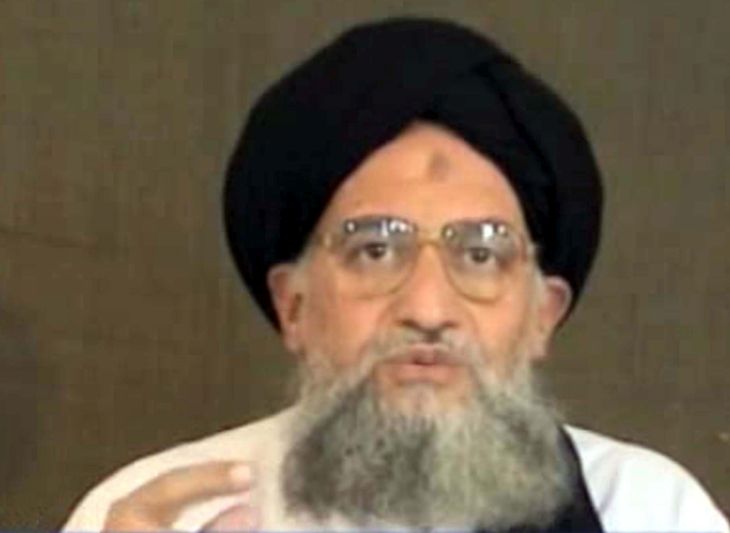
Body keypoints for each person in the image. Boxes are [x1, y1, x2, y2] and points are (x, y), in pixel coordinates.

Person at [62, 18, 728, 532]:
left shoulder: (650, 510)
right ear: (293, 305)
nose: (429, 307)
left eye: (481, 254)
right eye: (375, 249)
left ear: (542, 315)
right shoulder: (163, 513)